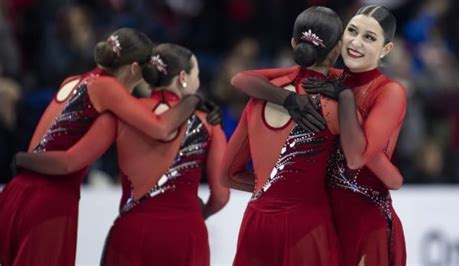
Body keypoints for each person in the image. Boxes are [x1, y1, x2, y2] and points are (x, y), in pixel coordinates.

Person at [0, 28, 202, 266]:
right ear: (135, 68)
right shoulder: (107, 88)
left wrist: (24, 161)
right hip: (50, 201)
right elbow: (159, 127)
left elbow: (42, 145)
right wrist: (194, 100)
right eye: (145, 71)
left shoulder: (74, 81)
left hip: (16, 193)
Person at [233, 5, 407, 266]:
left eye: (369, 37)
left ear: (386, 49)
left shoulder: (389, 92)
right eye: (352, 31)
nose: (356, 42)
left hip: (363, 222)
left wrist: (346, 98)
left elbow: (360, 158)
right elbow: (242, 79)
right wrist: (288, 99)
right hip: (323, 219)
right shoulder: (333, 79)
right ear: (339, 40)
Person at [221, 6, 353, 265]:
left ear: (294, 43)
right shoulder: (338, 104)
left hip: (257, 224)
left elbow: (226, 174)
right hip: (308, 226)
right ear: (337, 48)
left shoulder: (259, 98)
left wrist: (270, 188)